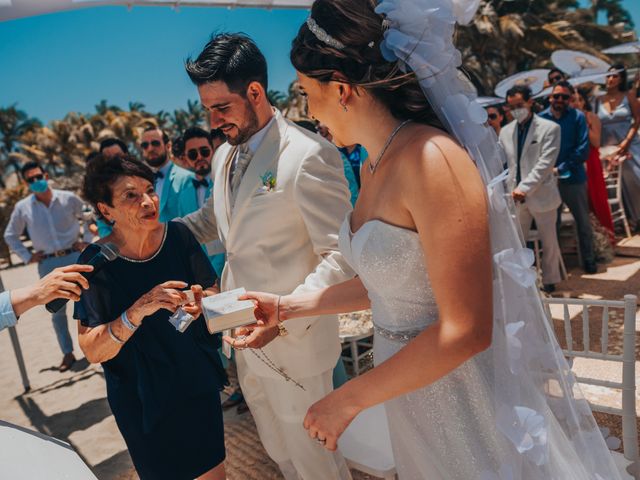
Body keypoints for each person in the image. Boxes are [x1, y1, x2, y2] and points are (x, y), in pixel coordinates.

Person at [236, 0, 623, 479]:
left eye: (305, 92)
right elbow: (396, 280)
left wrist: (347, 398)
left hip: (463, 397)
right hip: (409, 393)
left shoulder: (433, 160)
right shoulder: (372, 164)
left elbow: (467, 328)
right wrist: (286, 306)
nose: (306, 109)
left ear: (341, 89)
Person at [179, 33, 354, 480]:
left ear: (254, 92)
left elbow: (340, 257)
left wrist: (284, 313)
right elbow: (215, 223)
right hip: (241, 338)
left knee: (317, 462)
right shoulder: (222, 157)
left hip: (294, 341)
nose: (213, 121)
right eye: (207, 109)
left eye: (222, 107)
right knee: (280, 454)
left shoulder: (309, 155)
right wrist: (149, 232)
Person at [75, 154, 227, 480]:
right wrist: (138, 310)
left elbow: (212, 291)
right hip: (141, 398)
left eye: (149, 190)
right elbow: (91, 349)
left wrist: (201, 303)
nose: (147, 201)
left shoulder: (179, 237)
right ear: (105, 210)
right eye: (130, 195)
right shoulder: (96, 261)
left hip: (194, 378)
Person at [4, 161, 94, 371]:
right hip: (47, 264)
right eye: (31, 180)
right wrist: (27, 256)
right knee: (57, 311)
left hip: (75, 257)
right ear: (27, 183)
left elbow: (88, 216)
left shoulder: (68, 198)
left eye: (38, 177)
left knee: (89, 302)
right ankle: (68, 354)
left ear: (46, 175)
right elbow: (10, 235)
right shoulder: (22, 207)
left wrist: (87, 240)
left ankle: (94, 347)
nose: (36, 182)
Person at [500, 85, 563, 292]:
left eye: (519, 105)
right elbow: (504, 163)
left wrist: (524, 188)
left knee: (549, 242)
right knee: (518, 242)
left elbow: (545, 164)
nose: (516, 109)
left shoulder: (550, 128)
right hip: (514, 196)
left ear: (530, 102)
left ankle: (550, 280)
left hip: (541, 194)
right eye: (511, 107)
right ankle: (522, 283)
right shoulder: (505, 131)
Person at [539, 81, 597, 273]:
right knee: (551, 226)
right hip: (547, 181)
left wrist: (560, 167)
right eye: (557, 96)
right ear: (550, 97)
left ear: (570, 99)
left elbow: (583, 150)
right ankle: (555, 269)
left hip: (573, 178)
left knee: (582, 222)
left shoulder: (578, 117)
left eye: (565, 97)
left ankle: (589, 259)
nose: (560, 100)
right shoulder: (540, 119)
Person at [595, 64, 640, 230]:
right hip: (608, 148)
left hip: (630, 144)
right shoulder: (598, 100)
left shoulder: (629, 96)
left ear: (621, 79)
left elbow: (637, 120)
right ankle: (627, 221)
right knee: (615, 186)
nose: (610, 79)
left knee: (636, 178)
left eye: (614, 76)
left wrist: (626, 142)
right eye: (608, 76)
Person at [572, 88, 615, 245]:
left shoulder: (592, 117)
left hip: (591, 161)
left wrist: (584, 124)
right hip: (575, 162)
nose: (576, 103)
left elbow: (596, 142)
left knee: (596, 197)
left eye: (579, 99)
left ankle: (606, 236)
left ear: (584, 102)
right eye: (572, 100)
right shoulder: (568, 119)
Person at [0, 264, 94, 332]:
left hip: (71, 254)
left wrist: (35, 292)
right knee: (58, 315)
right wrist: (35, 292)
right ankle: (68, 352)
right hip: (48, 259)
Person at [139, 126, 197, 222]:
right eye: (145, 145)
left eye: (155, 143)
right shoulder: (142, 183)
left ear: (168, 146)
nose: (150, 149)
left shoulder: (187, 179)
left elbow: (193, 222)